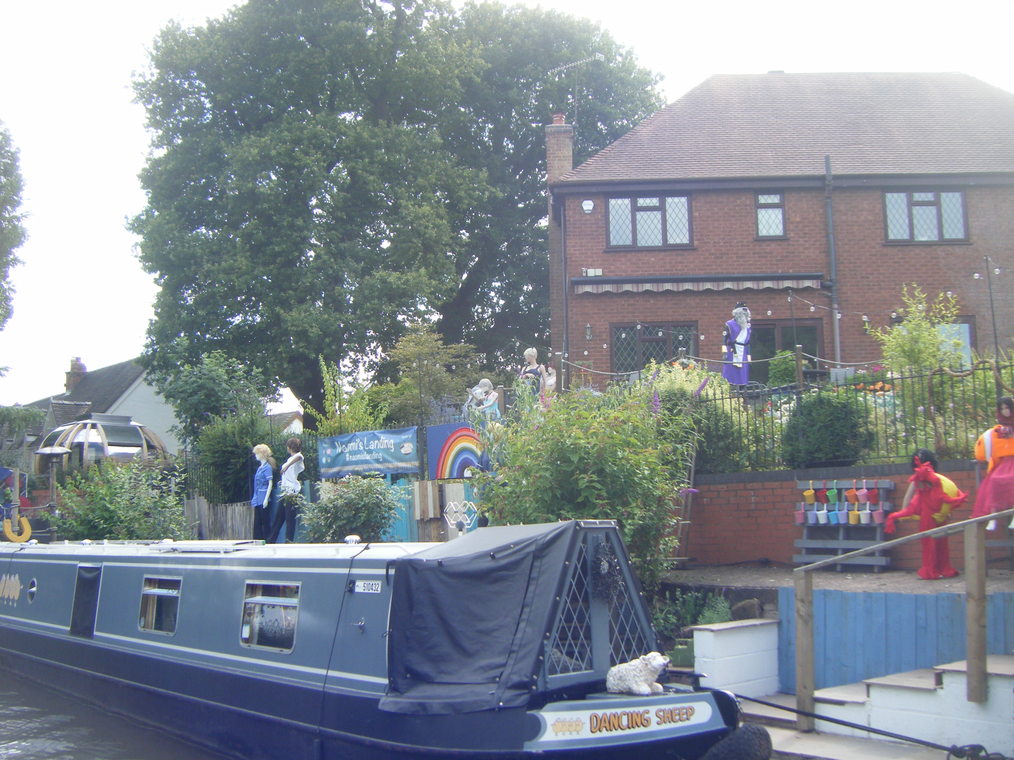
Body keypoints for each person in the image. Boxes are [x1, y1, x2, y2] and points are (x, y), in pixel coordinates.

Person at [885, 448, 966, 580]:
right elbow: (947, 495)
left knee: (931, 543)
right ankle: (940, 569)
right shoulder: (935, 479)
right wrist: (948, 512)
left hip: (929, 515)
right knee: (939, 543)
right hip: (935, 515)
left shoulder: (924, 479)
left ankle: (933, 570)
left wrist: (903, 512)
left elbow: (908, 496)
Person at [973, 396, 1014, 531]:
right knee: (994, 481)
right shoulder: (998, 430)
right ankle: (993, 517)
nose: (1005, 411)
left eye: (1007, 408)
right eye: (1002, 409)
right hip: (1003, 463)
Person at [269, 437, 305, 543]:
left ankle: (289, 541)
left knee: (290, 519)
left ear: (289, 447)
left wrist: (287, 466)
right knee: (279, 518)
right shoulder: (290, 459)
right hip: (285, 492)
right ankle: (271, 540)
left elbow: (299, 457)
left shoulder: (298, 457)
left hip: (292, 492)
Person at [722, 302, 751, 386]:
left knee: (742, 376)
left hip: (743, 353)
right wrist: (724, 353)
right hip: (732, 352)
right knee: (730, 374)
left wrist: (749, 357)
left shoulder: (748, 326)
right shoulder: (729, 324)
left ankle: (742, 391)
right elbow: (724, 340)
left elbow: (748, 343)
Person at [250, 444, 275, 541]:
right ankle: (258, 540)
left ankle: (268, 540)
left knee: (265, 521)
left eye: (257, 453)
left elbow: (270, 483)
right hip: (257, 497)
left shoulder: (267, 468)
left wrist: (266, 499)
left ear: (262, 454)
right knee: (257, 521)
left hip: (263, 496)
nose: (256, 455)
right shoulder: (260, 468)